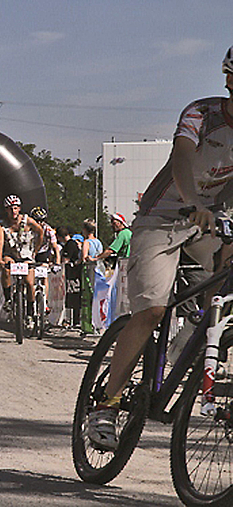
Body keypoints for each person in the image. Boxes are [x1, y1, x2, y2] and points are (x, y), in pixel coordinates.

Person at [85, 46, 233, 452]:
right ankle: (107, 404)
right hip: (165, 217)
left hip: (216, 221)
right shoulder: (202, 114)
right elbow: (182, 157)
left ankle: (197, 342)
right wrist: (194, 203)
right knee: (151, 309)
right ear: (230, 81)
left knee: (222, 298)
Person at [0, 194, 44, 318]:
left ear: (19, 208)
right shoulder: (2, 224)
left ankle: (30, 310)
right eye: (10, 208)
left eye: (15, 208)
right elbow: (0, 242)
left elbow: (40, 232)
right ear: (6, 210)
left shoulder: (27, 220)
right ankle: (8, 299)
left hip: (26, 254)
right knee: (6, 268)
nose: (13, 211)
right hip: (11, 254)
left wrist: (36, 250)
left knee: (29, 282)